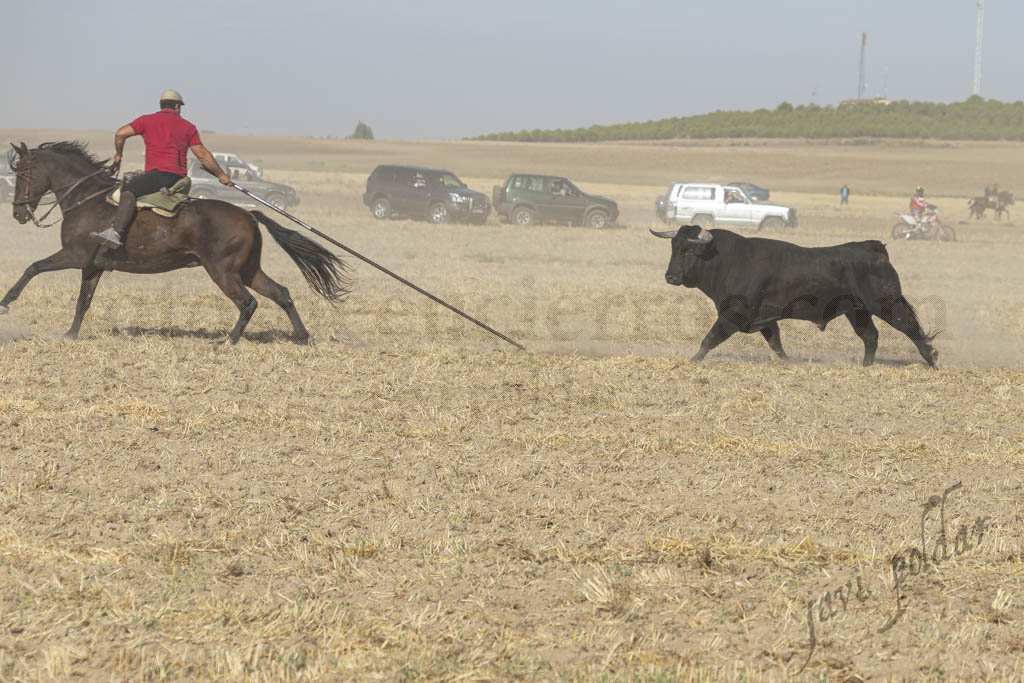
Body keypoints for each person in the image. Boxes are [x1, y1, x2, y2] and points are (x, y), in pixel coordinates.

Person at [92, 89, 232, 249]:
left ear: (161, 105)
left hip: (160, 176)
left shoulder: (146, 120)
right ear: (177, 106)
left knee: (128, 189)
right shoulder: (188, 127)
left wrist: (118, 154)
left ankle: (115, 233)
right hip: (178, 179)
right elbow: (202, 153)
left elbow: (120, 134)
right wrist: (221, 175)